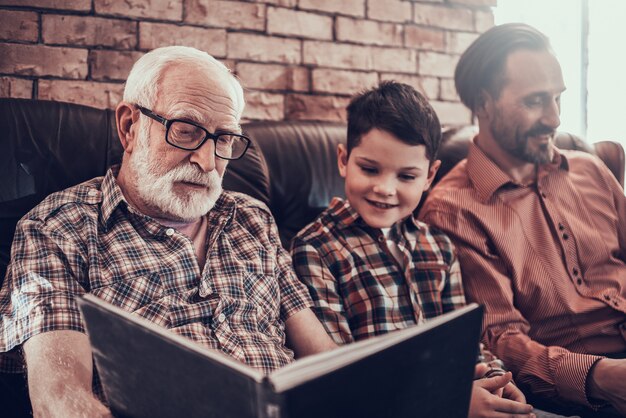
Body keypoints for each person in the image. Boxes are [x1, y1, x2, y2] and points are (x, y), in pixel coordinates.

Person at [0, 46, 337, 417]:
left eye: (223, 139)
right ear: (130, 127)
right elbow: (59, 401)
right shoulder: (58, 229)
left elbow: (323, 359)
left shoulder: (253, 219)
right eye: (186, 131)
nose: (207, 162)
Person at [291, 81, 536, 418]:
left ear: (429, 177)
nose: (385, 189)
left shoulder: (438, 247)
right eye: (370, 169)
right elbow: (338, 370)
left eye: (406, 176)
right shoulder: (314, 247)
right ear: (344, 160)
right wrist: (448, 400)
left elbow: (460, 343)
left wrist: (494, 378)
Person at [419, 23, 626, 416]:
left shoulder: (591, 170)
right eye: (534, 102)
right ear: (484, 103)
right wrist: (601, 377)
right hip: (584, 390)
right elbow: (502, 343)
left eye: (557, 99)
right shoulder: (454, 211)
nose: (554, 118)